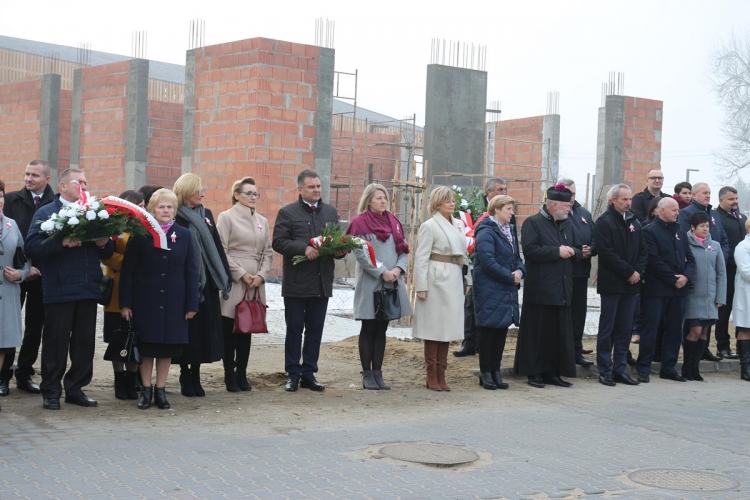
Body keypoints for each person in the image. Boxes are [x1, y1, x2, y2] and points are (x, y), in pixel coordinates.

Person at [25, 169, 114, 410]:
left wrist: (104, 243)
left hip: (87, 287)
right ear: (63, 186)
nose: (84, 186)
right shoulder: (47, 213)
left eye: (86, 182)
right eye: (79, 182)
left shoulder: (94, 213)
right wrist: (62, 242)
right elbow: (32, 247)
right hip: (59, 287)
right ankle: (51, 391)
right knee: (56, 342)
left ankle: (75, 389)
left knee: (84, 343)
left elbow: (107, 253)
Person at [120, 189, 199, 409]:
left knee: (167, 348)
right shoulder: (140, 234)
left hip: (175, 302)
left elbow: (192, 271)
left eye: (170, 207)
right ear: (152, 209)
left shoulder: (185, 235)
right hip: (145, 302)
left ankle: (161, 390)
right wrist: (125, 303)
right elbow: (128, 271)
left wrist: (192, 304)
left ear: (175, 210)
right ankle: (146, 390)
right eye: (161, 207)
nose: (166, 210)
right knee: (147, 348)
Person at [272, 169, 342, 392]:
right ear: (300, 189)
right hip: (297, 283)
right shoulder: (287, 213)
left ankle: (309, 373)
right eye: (311, 187)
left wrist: (341, 250)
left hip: (321, 282)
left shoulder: (330, 212)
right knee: (294, 329)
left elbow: (336, 241)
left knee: (315, 330)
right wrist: (303, 248)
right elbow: (278, 242)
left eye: (318, 186)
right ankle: (293, 374)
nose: (316, 190)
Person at [346, 184, 412, 390]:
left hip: (391, 282)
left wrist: (397, 270)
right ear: (368, 201)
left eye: (385, 197)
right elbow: (361, 254)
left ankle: (378, 373)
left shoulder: (394, 222)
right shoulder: (359, 223)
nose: (383, 201)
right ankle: (367, 374)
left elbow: (404, 250)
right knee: (368, 327)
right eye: (378, 198)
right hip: (371, 283)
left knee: (382, 328)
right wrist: (382, 271)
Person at [514, 184, 580, 388]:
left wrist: (575, 252)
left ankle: (553, 373)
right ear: (554, 205)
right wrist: (556, 251)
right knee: (537, 333)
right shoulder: (533, 223)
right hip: (540, 289)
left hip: (562, 288)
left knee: (556, 334)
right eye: (566, 206)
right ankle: (534, 373)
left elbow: (578, 248)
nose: (570, 209)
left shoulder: (568, 225)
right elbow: (530, 251)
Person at [172, 173, 231, 397]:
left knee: (204, 330)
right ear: (186, 192)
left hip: (207, 280)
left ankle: (195, 373)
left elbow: (215, 245)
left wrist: (224, 276)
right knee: (189, 329)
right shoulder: (175, 215)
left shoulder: (206, 214)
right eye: (197, 190)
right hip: (186, 281)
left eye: (202, 190)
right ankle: (185, 374)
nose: (202, 194)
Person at [0, 160, 56, 396]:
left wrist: (36, 267)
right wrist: (24, 268)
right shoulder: (11, 200)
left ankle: (24, 373)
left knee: (35, 326)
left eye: (34, 175)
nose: (28, 179)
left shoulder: (56, 204)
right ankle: (3, 376)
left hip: (42, 274)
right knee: (7, 324)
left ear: (47, 179)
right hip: (11, 274)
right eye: (26, 174)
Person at [412, 186, 472, 391]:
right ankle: (431, 374)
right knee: (433, 326)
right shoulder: (429, 226)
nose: (452, 203)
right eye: (447, 200)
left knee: (447, 327)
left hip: (454, 276)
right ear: (437, 204)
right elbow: (421, 257)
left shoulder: (458, 225)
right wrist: (421, 286)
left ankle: (441, 373)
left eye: (453, 200)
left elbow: (463, 254)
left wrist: (468, 278)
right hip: (435, 278)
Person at [217, 177, 273, 392]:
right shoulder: (226, 217)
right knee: (230, 327)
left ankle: (242, 373)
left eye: (255, 193)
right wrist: (241, 273)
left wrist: (261, 275)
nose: (253, 197)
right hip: (235, 280)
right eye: (248, 193)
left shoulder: (262, 221)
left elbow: (268, 252)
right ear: (237, 195)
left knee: (247, 327)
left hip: (256, 281)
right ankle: (229, 374)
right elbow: (221, 250)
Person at [637, 197, 696, 383]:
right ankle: (643, 367)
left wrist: (686, 277)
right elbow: (653, 260)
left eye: (678, 210)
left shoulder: (680, 232)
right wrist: (673, 279)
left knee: (674, 331)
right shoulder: (649, 231)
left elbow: (690, 260)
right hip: (657, 290)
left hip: (678, 291)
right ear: (661, 210)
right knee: (651, 330)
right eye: (674, 210)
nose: (678, 213)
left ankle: (669, 368)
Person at [593, 184, 647, 387]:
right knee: (608, 329)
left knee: (625, 328)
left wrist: (637, 272)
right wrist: (628, 272)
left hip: (631, 285)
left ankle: (620, 369)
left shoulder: (634, 221)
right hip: (612, 284)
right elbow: (607, 253)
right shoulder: (604, 222)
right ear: (612, 200)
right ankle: (605, 370)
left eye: (630, 199)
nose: (628, 203)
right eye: (624, 199)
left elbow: (643, 250)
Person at [472, 194, 525, 390]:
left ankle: (496, 370)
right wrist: (510, 277)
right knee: (489, 331)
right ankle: (486, 372)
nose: (512, 213)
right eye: (508, 209)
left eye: (513, 209)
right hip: (489, 289)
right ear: (497, 209)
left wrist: (520, 271)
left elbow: (517, 258)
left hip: (505, 289)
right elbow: (488, 262)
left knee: (501, 331)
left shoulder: (508, 230)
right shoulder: (486, 231)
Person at [455, 177, 511, 358]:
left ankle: (482, 343)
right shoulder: (473, 208)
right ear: (489, 192)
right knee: (471, 304)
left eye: (505, 189)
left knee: (490, 304)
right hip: (476, 261)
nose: (503, 192)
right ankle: (469, 342)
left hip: (497, 264)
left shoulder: (507, 209)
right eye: (500, 189)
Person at [678, 182, 730, 362]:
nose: (708, 195)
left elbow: (723, 240)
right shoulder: (685, 213)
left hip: (711, 279)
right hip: (694, 285)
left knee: (705, 329)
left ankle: (701, 356)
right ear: (694, 195)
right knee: (694, 328)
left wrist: (716, 257)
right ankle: (689, 364)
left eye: (709, 192)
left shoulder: (714, 214)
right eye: (704, 192)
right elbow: (684, 243)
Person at [100, 190, 144, 400]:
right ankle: (119, 380)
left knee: (137, 336)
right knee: (117, 338)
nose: (139, 209)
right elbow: (106, 255)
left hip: (141, 289)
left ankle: (132, 379)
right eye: (135, 205)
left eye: (142, 205)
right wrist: (132, 264)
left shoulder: (147, 227)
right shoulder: (113, 226)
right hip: (117, 289)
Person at [682, 211, 727, 381]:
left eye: (707, 226)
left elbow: (721, 273)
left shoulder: (715, 246)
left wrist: (720, 297)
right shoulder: (686, 243)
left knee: (704, 332)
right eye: (701, 226)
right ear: (693, 227)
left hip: (710, 297)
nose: (705, 229)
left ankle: (695, 368)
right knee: (695, 330)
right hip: (693, 295)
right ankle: (687, 367)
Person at [0, 180, 32, 411]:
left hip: (7, 293)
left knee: (2, 345)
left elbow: (24, 258)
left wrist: (21, 274)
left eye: (1, 196)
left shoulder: (11, 225)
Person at [559, 178, 596, 367]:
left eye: (573, 193)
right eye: (568, 193)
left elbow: (595, 236)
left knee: (579, 313)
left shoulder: (584, 213)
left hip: (582, 272)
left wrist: (592, 249)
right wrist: (577, 250)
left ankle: (576, 350)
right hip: (564, 272)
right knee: (564, 314)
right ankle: (562, 352)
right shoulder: (558, 214)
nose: (571, 197)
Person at [714, 186, 744, 359]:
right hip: (727, 271)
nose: (735, 202)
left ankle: (742, 346)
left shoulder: (741, 218)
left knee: (742, 309)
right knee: (724, 312)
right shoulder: (716, 218)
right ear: (721, 200)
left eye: (736, 198)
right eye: (731, 199)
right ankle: (722, 346)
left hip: (742, 273)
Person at [732, 217, 750, 382]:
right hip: (747, 295)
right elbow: (746, 271)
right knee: (745, 329)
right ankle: (746, 368)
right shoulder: (742, 247)